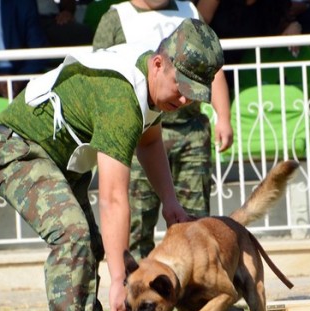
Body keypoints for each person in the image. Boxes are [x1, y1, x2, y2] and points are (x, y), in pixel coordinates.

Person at [0, 18, 224, 311]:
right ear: (159, 64)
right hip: (15, 150)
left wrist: (170, 202)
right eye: (182, 86)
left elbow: (150, 141)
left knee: (95, 244)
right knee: (73, 235)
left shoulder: (150, 84)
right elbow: (112, 199)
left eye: (194, 92)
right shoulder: (121, 98)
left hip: (62, 160)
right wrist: (118, 280)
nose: (185, 99)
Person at [93, 0, 233, 259]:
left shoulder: (189, 10)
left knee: (194, 223)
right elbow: (101, 73)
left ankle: (196, 294)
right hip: (137, 135)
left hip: (189, 132)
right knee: (136, 226)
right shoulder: (116, 17)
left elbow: (213, 71)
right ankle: (134, 293)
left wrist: (223, 115)